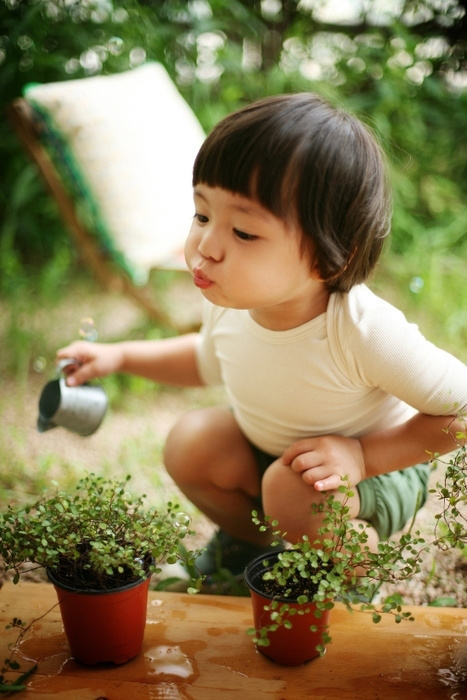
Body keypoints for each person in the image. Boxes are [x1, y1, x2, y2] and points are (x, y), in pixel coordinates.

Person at [57, 92, 467, 581]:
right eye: (203, 215)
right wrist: (120, 357)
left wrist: (363, 455)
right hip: (278, 459)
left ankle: (348, 567)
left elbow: (460, 410)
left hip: (372, 474)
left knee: (290, 489)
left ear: (329, 258)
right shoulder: (232, 305)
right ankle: (259, 548)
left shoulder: (359, 328)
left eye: (244, 233)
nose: (206, 246)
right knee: (191, 444)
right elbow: (205, 361)